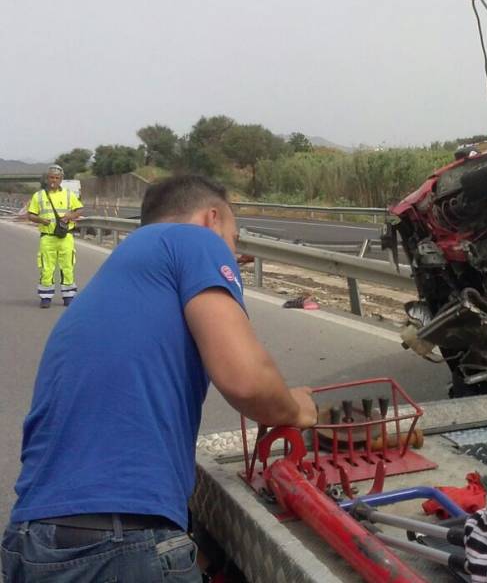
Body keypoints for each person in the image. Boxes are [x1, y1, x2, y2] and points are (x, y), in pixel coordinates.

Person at [1, 174, 318, 582]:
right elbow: (247, 381)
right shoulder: (194, 239)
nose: (233, 253)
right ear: (212, 217)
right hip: (117, 544)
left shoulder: (123, 270)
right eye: (234, 239)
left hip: (33, 540)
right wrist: (296, 409)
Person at [26, 164, 84, 308]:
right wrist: (40, 220)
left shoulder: (69, 195)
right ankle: (46, 297)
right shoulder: (38, 196)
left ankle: (68, 296)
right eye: (51, 177)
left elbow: (80, 209)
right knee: (47, 267)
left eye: (57, 178)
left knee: (68, 266)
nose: (54, 180)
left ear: (61, 179)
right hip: (47, 237)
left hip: (66, 237)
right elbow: (31, 215)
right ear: (47, 178)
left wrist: (70, 216)